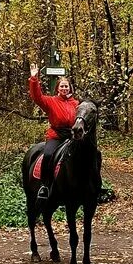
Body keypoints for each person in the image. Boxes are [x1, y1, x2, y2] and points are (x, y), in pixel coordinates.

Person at [28, 63, 79, 201]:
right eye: (61, 86)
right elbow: (36, 97)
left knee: (88, 154)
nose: (64, 88)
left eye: (66, 86)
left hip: (73, 137)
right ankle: (45, 186)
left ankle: (90, 186)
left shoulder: (76, 104)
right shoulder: (51, 101)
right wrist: (34, 78)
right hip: (56, 136)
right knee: (49, 154)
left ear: (70, 88)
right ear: (57, 88)